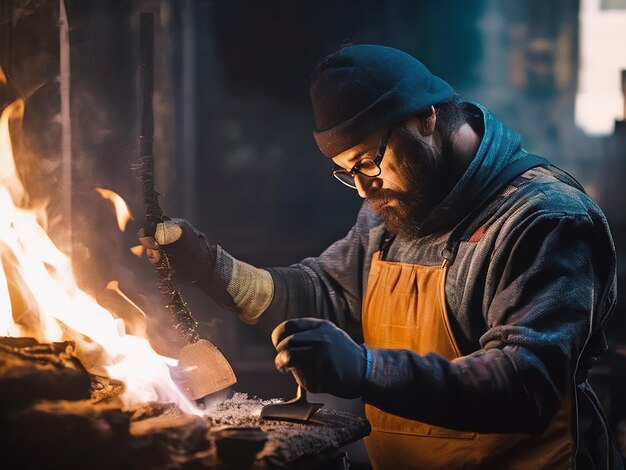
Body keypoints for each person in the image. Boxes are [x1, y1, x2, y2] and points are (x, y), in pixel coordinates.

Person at [140, 44, 622, 468]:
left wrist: (366, 369)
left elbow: (525, 384)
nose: (365, 189)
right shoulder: (393, 208)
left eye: (369, 161)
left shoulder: (544, 220)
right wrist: (208, 267)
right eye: (347, 172)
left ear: (427, 118)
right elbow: (323, 293)